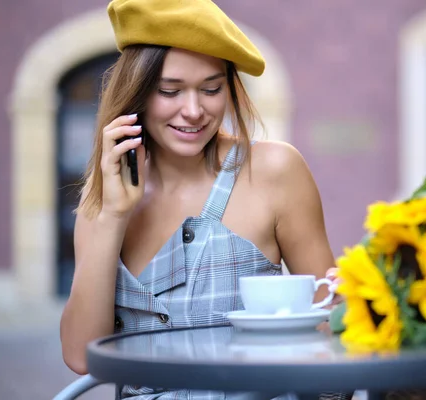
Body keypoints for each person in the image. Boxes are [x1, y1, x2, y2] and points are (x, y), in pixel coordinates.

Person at [59, 0, 344, 398]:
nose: (193, 111)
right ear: (136, 95)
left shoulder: (274, 169)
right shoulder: (107, 193)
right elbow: (81, 356)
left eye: (211, 89)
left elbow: (332, 318)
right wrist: (113, 215)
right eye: (169, 91)